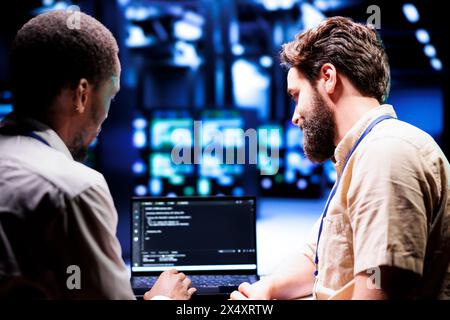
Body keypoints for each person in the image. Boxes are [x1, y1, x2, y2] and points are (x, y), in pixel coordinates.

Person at [231, 16, 450, 300]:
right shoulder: (362, 153)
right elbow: (316, 259)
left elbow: (377, 293)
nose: (295, 117)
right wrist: (265, 290)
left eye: (296, 96)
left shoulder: (385, 155)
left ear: (328, 77)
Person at [0, 10, 196, 300]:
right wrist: (163, 298)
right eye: (109, 96)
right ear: (81, 94)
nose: (105, 117)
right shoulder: (73, 190)